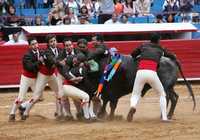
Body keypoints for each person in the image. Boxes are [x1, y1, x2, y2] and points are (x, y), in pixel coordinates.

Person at [127, 33, 176, 122]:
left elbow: (133, 54)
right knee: (162, 94)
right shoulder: (160, 48)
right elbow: (169, 55)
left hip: (140, 72)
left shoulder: (143, 45)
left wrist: (138, 56)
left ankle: (133, 106)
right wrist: (174, 57)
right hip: (152, 73)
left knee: (135, 94)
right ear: (159, 40)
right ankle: (164, 118)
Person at [21, 34, 61, 120]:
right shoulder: (47, 51)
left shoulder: (59, 50)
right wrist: (61, 62)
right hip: (43, 75)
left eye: (54, 41)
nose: (53, 43)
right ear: (48, 43)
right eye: (51, 42)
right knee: (36, 96)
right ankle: (25, 112)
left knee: (59, 92)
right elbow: (53, 61)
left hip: (52, 74)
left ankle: (58, 112)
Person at [8, 37, 44, 121]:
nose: (35, 45)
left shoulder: (41, 52)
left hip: (36, 79)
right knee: (21, 97)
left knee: (39, 97)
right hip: (26, 78)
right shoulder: (27, 55)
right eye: (33, 44)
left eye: (36, 43)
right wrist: (39, 62)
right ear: (29, 46)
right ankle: (12, 113)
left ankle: (23, 106)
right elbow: (29, 67)